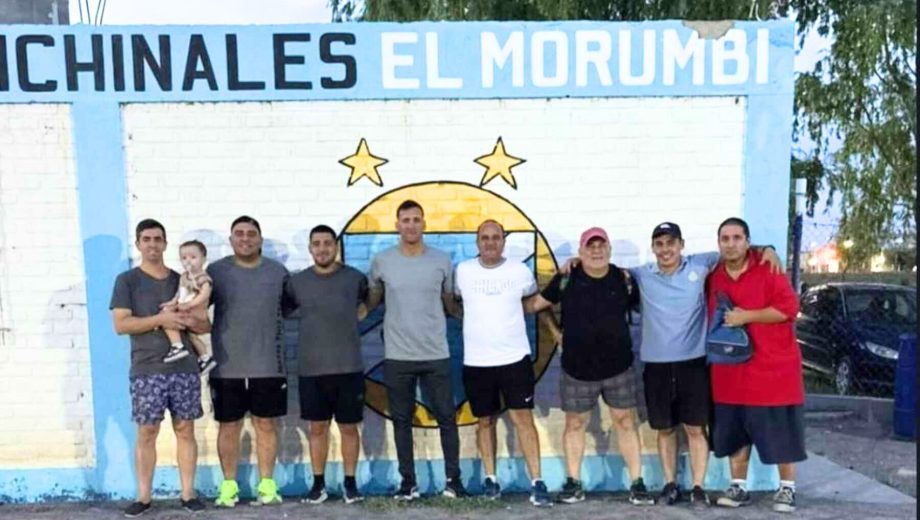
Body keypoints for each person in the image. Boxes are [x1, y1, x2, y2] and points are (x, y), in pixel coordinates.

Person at [560, 222, 782, 506]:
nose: (665, 250)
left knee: (695, 428)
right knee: (664, 429)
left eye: (671, 243)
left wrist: (767, 249)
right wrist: (576, 261)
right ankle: (670, 484)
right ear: (653, 248)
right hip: (656, 366)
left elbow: (734, 251)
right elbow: (601, 266)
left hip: (693, 363)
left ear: (681, 245)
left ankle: (698, 486)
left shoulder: (701, 264)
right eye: (659, 244)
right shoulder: (641, 274)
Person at [526, 227, 654, 506]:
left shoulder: (624, 279)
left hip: (619, 366)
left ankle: (637, 484)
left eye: (601, 245)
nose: (596, 251)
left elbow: (645, 308)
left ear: (609, 249)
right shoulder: (567, 278)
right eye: (590, 246)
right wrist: (556, 334)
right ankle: (573, 483)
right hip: (577, 368)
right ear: (581, 251)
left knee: (625, 422)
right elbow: (538, 305)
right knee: (575, 424)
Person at [365, 200, 467, 500]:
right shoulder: (382, 261)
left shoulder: (442, 261)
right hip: (398, 355)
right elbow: (371, 303)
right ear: (397, 225)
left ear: (424, 224)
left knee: (447, 418)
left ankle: (454, 481)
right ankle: (408, 483)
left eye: (416, 219)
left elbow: (451, 306)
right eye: (406, 220)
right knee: (401, 421)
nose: (411, 225)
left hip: (436, 353)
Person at [451, 219, 552, 507]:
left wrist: (556, 331)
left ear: (504, 241)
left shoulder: (520, 271)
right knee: (485, 421)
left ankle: (537, 482)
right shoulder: (463, 272)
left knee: (523, 420)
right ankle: (491, 479)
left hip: (514, 359)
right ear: (477, 242)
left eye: (496, 237)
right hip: (477, 361)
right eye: (485, 237)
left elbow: (534, 304)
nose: (490, 242)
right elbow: (455, 303)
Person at [707, 217, 805, 514]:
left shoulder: (768, 268)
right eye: (725, 238)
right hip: (730, 372)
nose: (731, 244)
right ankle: (738, 486)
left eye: (737, 238)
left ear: (748, 242)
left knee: (780, 433)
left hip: (772, 370)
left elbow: (789, 309)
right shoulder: (714, 275)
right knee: (735, 432)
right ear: (719, 243)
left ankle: (787, 489)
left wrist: (746, 316)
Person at [110, 219, 207, 516]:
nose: (152, 244)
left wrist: (188, 319)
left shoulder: (183, 279)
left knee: (185, 429)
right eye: (146, 239)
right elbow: (121, 324)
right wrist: (160, 320)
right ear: (138, 244)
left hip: (185, 367)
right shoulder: (127, 281)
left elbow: (204, 324)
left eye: (157, 239)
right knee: (147, 431)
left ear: (165, 243)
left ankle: (188, 494)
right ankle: (143, 497)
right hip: (147, 368)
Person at [208, 216, 292, 508]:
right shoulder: (215, 272)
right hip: (226, 365)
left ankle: (267, 486)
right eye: (239, 233)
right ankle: (228, 487)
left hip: (268, 364)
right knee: (228, 426)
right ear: (231, 239)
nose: (245, 238)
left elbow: (290, 310)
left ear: (260, 239)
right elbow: (195, 307)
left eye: (251, 234)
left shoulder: (278, 272)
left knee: (266, 424)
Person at [285, 224, 369, 505]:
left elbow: (367, 303)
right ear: (310, 248)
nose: (322, 249)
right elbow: (285, 310)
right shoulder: (296, 283)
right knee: (317, 428)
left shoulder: (355, 279)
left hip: (349, 367)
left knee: (349, 428)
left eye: (327, 243)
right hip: (311, 369)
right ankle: (318, 485)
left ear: (336, 246)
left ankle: (350, 484)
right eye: (317, 244)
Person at [161, 239, 218, 375]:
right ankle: (205, 358)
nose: (188, 261)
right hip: (185, 308)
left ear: (203, 259)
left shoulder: (203, 278)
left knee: (166, 318)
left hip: (194, 313)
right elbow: (180, 293)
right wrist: (173, 302)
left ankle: (177, 346)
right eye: (184, 258)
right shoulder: (184, 276)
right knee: (192, 336)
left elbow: (204, 295)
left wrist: (190, 304)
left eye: (193, 257)